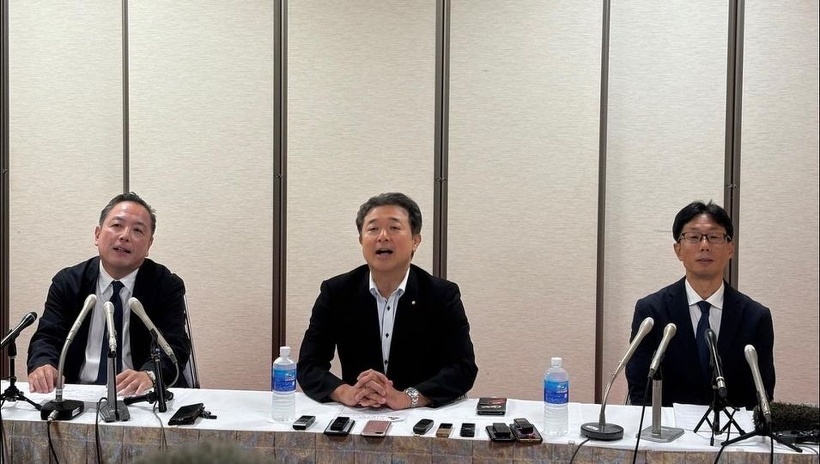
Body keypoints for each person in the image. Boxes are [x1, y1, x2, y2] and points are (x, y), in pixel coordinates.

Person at [297, 192, 478, 409]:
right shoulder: (337, 292)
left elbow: (463, 368)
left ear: (415, 241)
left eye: (394, 227)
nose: (383, 236)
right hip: (359, 413)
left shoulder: (441, 295)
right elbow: (309, 365)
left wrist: (407, 398)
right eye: (373, 229)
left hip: (421, 415)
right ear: (361, 240)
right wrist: (347, 393)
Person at [27, 192, 191, 395]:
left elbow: (175, 345)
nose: (125, 236)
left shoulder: (166, 285)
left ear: (149, 245)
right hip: (77, 394)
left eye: (138, 230)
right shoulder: (68, 282)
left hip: (140, 396)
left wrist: (150, 375)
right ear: (97, 235)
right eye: (117, 225)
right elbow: (47, 337)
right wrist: (43, 364)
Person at [625, 201, 775, 408]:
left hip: (731, 426)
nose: (705, 245)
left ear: (730, 248)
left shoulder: (756, 317)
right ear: (678, 250)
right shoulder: (652, 312)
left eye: (714, 237)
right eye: (694, 237)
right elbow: (640, 388)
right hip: (668, 426)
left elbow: (761, 392)